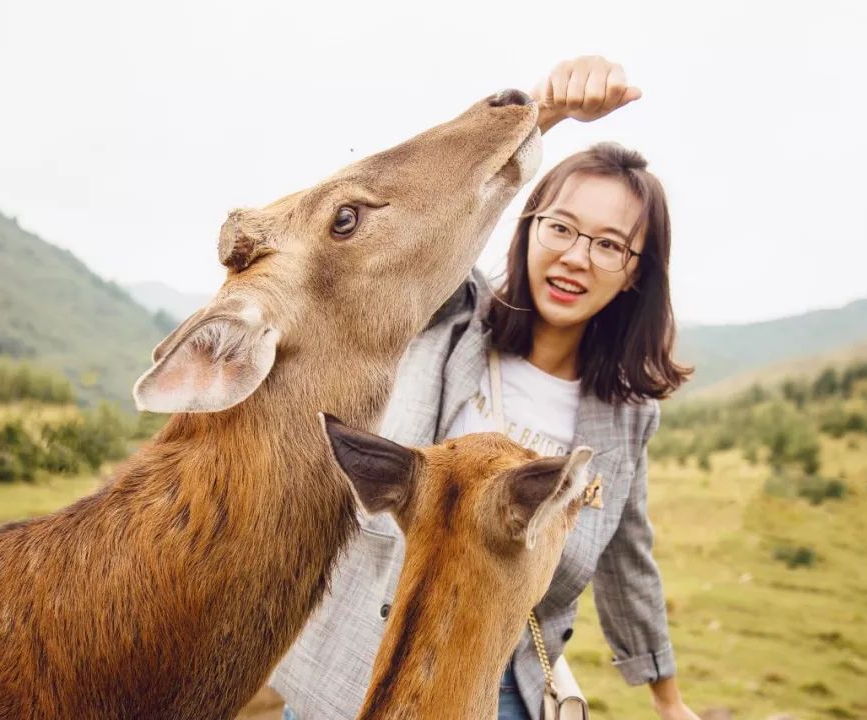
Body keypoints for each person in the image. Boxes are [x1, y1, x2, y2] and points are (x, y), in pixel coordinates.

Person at [272, 56, 700, 720]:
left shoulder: (624, 417)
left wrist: (669, 702)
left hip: (500, 690)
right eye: (560, 227)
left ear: (636, 274)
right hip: (359, 668)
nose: (576, 256)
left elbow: (625, 556)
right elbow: (408, 214)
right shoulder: (453, 319)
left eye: (610, 244)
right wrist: (542, 115)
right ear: (527, 228)